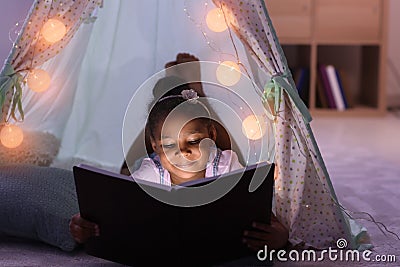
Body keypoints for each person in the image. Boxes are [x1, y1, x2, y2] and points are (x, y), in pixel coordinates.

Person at [70, 85, 289, 252]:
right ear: (155, 146)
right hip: (145, 167)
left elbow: (257, 212)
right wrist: (87, 226)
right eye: (168, 145)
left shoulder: (226, 164)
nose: (182, 152)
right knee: (128, 172)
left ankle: (187, 88)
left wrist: (279, 234)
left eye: (193, 141)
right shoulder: (150, 172)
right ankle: (168, 93)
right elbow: (116, 214)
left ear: (211, 136)